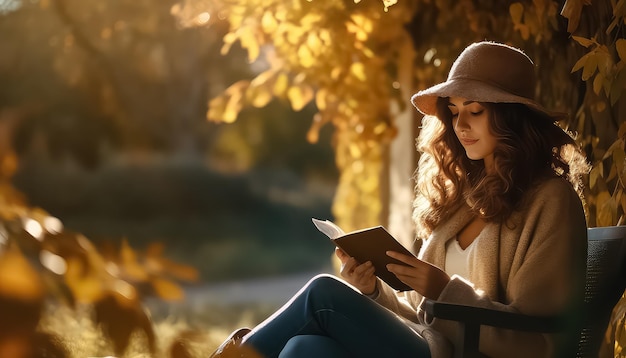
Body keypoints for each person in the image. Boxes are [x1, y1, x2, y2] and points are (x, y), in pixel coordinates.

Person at [208, 41, 590, 358]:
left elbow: (541, 337)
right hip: (432, 347)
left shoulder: (551, 201)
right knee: (303, 348)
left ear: (513, 119)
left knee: (323, 294)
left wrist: (443, 289)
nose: (460, 125)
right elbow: (424, 318)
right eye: (454, 112)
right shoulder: (464, 200)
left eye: (475, 111)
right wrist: (375, 291)